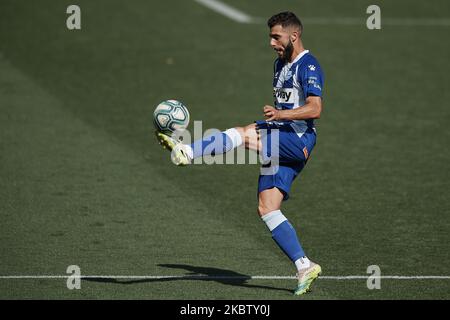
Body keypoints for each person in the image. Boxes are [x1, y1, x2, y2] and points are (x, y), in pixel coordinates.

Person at [156, 11, 324, 296]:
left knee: (243, 134)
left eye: (276, 37)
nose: (271, 42)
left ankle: (187, 151)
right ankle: (304, 266)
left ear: (294, 35)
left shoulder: (308, 65)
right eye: (270, 37)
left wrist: (281, 115)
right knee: (267, 208)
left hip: (298, 139)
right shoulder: (279, 64)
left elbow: (315, 108)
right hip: (282, 136)